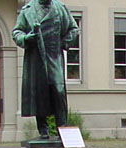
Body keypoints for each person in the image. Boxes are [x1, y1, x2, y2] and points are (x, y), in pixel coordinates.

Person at [12, 0, 79, 139]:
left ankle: (62, 127)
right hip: (35, 57)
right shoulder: (28, 9)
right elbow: (17, 31)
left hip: (54, 55)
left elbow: (73, 29)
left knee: (58, 91)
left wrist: (63, 43)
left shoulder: (60, 8)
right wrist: (26, 38)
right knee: (39, 91)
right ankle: (43, 129)